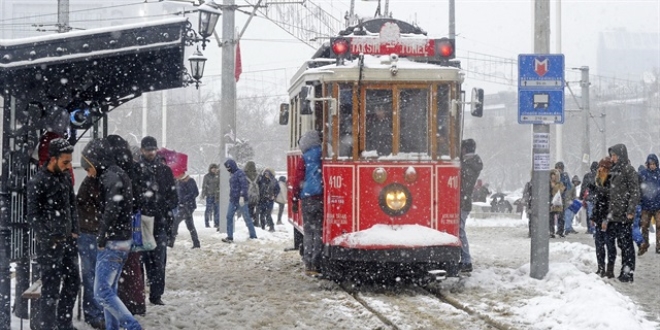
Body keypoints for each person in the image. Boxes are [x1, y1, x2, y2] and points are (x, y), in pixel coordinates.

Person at [82, 138, 142, 330]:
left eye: (87, 168)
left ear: (94, 161)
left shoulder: (109, 177)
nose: (89, 174)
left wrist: (102, 235)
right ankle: (112, 327)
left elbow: (112, 209)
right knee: (110, 289)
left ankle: (132, 326)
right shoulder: (118, 173)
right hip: (122, 239)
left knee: (101, 293)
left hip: (113, 241)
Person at [27, 138, 80, 330]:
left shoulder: (65, 177)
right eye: (65, 162)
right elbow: (32, 215)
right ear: (52, 159)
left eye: (69, 162)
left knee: (73, 282)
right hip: (50, 245)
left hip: (68, 240)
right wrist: (47, 234)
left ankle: (64, 323)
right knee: (50, 290)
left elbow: (71, 204)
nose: (68, 166)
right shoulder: (38, 182)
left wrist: (75, 230)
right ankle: (47, 325)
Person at [107, 135, 146, 316]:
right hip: (131, 224)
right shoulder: (134, 168)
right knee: (133, 264)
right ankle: (136, 302)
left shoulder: (111, 171)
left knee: (116, 267)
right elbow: (140, 197)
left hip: (116, 226)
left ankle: (121, 302)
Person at [138, 136, 178, 305]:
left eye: (153, 149)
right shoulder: (136, 170)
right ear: (142, 150)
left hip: (159, 222)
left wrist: (162, 207)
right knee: (141, 261)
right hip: (142, 221)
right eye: (148, 150)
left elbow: (173, 197)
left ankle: (156, 294)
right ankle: (139, 293)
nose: (151, 153)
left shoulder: (164, 171)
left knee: (158, 261)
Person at [76, 165, 106, 329]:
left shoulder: (94, 181)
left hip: (91, 231)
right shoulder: (94, 183)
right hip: (90, 231)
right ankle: (94, 313)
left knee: (92, 275)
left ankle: (94, 312)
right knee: (92, 275)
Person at [292, 130, 324, 276]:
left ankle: (309, 264)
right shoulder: (324, 154)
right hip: (320, 197)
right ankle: (317, 263)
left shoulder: (304, 158)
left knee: (309, 231)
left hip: (307, 198)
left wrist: (295, 197)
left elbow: (297, 178)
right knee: (318, 231)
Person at [607, 144, 640, 282]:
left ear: (620, 155)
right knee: (615, 244)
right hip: (613, 215)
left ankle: (628, 271)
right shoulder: (612, 170)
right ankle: (620, 270)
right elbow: (606, 190)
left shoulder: (628, 170)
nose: (612, 158)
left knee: (626, 245)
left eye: (614, 155)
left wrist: (630, 210)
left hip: (624, 215)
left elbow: (635, 192)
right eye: (611, 155)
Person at [458, 139, 483, 273]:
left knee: (460, 230)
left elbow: (463, 183)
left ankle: (466, 260)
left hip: (462, 202)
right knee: (460, 230)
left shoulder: (467, 166)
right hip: (464, 201)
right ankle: (465, 259)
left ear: (464, 150)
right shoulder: (472, 164)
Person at [591, 157, 617, 278]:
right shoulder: (598, 180)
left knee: (610, 244)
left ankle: (610, 270)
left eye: (603, 167)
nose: (600, 169)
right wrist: (593, 216)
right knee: (599, 245)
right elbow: (597, 202)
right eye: (599, 167)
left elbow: (612, 201)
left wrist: (606, 219)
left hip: (609, 219)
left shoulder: (613, 181)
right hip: (599, 218)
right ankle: (600, 268)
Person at [222, 159, 258, 243]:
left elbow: (244, 186)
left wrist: (242, 196)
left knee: (246, 218)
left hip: (240, 200)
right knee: (229, 217)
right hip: (233, 199)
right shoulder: (233, 174)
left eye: (228, 167)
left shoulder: (240, 173)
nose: (228, 169)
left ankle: (253, 235)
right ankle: (230, 236)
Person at [171, 171, 201, 248]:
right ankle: (196, 243)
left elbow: (195, 193)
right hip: (182, 206)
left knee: (175, 222)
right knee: (190, 225)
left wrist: (185, 199)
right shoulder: (178, 182)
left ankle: (170, 242)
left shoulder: (190, 181)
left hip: (188, 206)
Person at [637, 153, 660, 256]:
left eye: (654, 164)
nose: (652, 166)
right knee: (644, 226)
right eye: (650, 164)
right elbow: (638, 189)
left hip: (658, 205)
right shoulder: (642, 174)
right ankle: (645, 244)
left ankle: (659, 246)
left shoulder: (659, 174)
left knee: (659, 226)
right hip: (646, 206)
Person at [580, 161, 599, 234]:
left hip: (589, 198)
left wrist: (581, 196)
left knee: (589, 214)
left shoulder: (587, 176)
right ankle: (596, 227)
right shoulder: (600, 175)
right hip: (597, 198)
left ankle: (590, 228)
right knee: (597, 213)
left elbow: (583, 187)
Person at [201, 164, 220, 228]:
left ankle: (216, 223)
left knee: (217, 210)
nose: (214, 169)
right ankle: (207, 223)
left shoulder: (218, 176)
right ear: (210, 169)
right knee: (208, 210)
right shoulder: (207, 176)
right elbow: (204, 186)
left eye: (215, 168)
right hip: (210, 195)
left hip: (217, 196)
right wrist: (203, 194)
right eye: (213, 168)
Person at [243, 161, 261, 228]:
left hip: (248, 196)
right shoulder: (257, 175)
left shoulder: (244, 175)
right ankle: (256, 222)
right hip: (256, 196)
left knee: (248, 210)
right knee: (255, 209)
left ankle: (249, 222)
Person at [549, 169, 566, 238]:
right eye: (552, 175)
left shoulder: (560, 184)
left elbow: (562, 190)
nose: (553, 177)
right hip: (551, 202)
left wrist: (555, 187)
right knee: (551, 218)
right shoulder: (548, 183)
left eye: (554, 175)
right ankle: (551, 231)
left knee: (561, 217)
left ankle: (560, 231)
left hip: (559, 202)